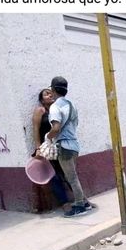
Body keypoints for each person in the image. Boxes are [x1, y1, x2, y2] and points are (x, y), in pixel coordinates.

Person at [46, 76, 92, 217]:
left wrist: (48, 137)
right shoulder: (71, 105)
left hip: (64, 146)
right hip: (74, 145)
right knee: (73, 176)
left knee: (71, 177)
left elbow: (56, 127)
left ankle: (79, 205)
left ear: (53, 90)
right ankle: (84, 203)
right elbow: (75, 124)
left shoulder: (55, 107)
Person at [32, 88, 71, 213]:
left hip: (60, 146)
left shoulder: (56, 110)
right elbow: (36, 130)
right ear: (42, 100)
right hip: (47, 148)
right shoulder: (40, 111)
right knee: (53, 176)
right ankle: (64, 202)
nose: (50, 95)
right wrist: (38, 148)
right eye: (46, 94)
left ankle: (80, 199)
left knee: (68, 172)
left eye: (50, 92)